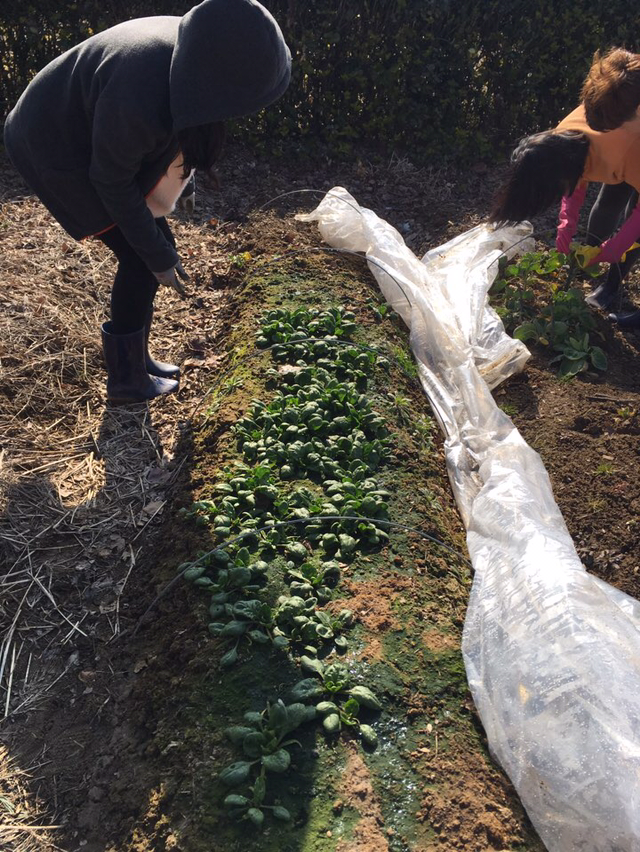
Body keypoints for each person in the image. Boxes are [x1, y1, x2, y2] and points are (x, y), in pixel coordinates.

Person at [3, 0, 291, 403]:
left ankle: (137, 360)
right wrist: (157, 258)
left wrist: (166, 231)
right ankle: (126, 380)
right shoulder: (139, 92)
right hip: (54, 144)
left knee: (155, 247)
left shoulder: (195, 52)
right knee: (141, 260)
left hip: (89, 135)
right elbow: (111, 180)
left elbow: (163, 145)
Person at [489, 103, 640, 326]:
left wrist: (617, 247)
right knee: (609, 201)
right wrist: (566, 224)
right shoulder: (561, 140)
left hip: (632, 148)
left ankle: (612, 286)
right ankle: (588, 261)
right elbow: (574, 180)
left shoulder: (621, 154)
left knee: (634, 226)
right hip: (627, 142)